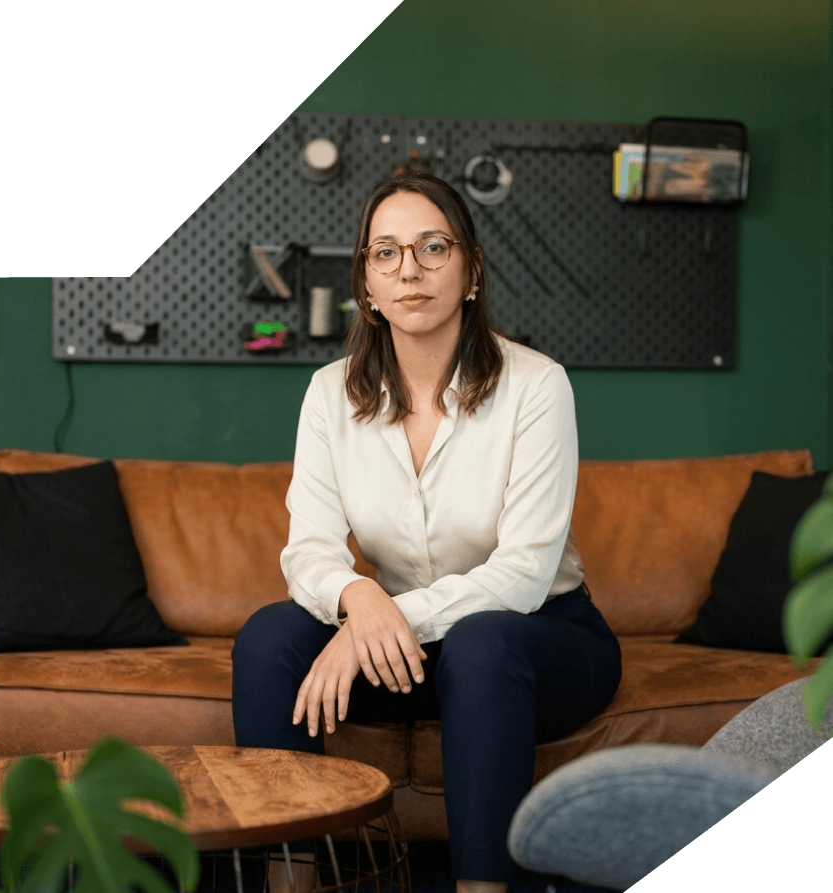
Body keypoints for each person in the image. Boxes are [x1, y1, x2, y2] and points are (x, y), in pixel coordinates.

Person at [231, 172, 623, 893]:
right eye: (386, 252)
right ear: (366, 285)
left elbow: (523, 575)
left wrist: (379, 622)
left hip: (535, 639)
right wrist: (358, 600)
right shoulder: (329, 392)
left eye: (432, 247)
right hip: (403, 652)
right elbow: (309, 548)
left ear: (471, 271)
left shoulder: (537, 385)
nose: (408, 269)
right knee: (268, 637)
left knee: (480, 641)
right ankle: (292, 881)